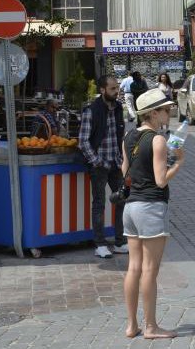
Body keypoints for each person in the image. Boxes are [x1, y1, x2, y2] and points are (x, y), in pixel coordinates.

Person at [122, 88, 184, 340]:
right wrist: (178, 162)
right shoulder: (158, 140)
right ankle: (150, 327)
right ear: (153, 113)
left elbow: (125, 171)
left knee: (133, 267)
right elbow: (160, 181)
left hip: (131, 207)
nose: (169, 114)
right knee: (149, 270)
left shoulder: (128, 136)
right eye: (166, 110)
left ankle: (131, 325)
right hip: (151, 206)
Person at [78, 75, 127, 258]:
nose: (117, 91)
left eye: (117, 88)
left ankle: (120, 241)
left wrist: (122, 158)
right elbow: (83, 141)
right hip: (99, 165)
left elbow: (119, 134)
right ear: (102, 90)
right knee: (99, 204)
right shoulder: (91, 111)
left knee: (122, 199)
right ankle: (100, 244)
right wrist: (97, 161)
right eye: (113, 88)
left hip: (115, 162)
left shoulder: (118, 108)